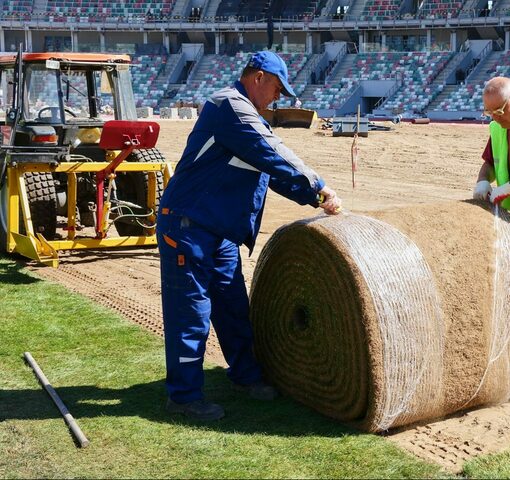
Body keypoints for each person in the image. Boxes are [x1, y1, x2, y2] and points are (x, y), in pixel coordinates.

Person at [156, 50, 342, 421]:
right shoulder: (230, 107)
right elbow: (273, 153)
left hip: (218, 229)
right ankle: (184, 396)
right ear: (257, 77)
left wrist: (310, 198)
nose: (278, 97)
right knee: (191, 312)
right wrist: (320, 187)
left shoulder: (247, 115)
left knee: (233, 307)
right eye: (276, 88)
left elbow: (269, 172)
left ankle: (244, 376)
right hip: (188, 225)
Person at [473, 76, 510, 207]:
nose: (495, 118)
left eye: (499, 110)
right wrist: (482, 180)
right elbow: (491, 163)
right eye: (489, 112)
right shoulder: (497, 129)